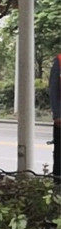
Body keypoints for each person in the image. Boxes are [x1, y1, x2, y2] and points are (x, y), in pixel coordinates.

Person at [50, 53, 60, 187]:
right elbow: (53, 90)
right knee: (59, 159)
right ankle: (57, 192)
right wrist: (57, 115)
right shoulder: (59, 61)